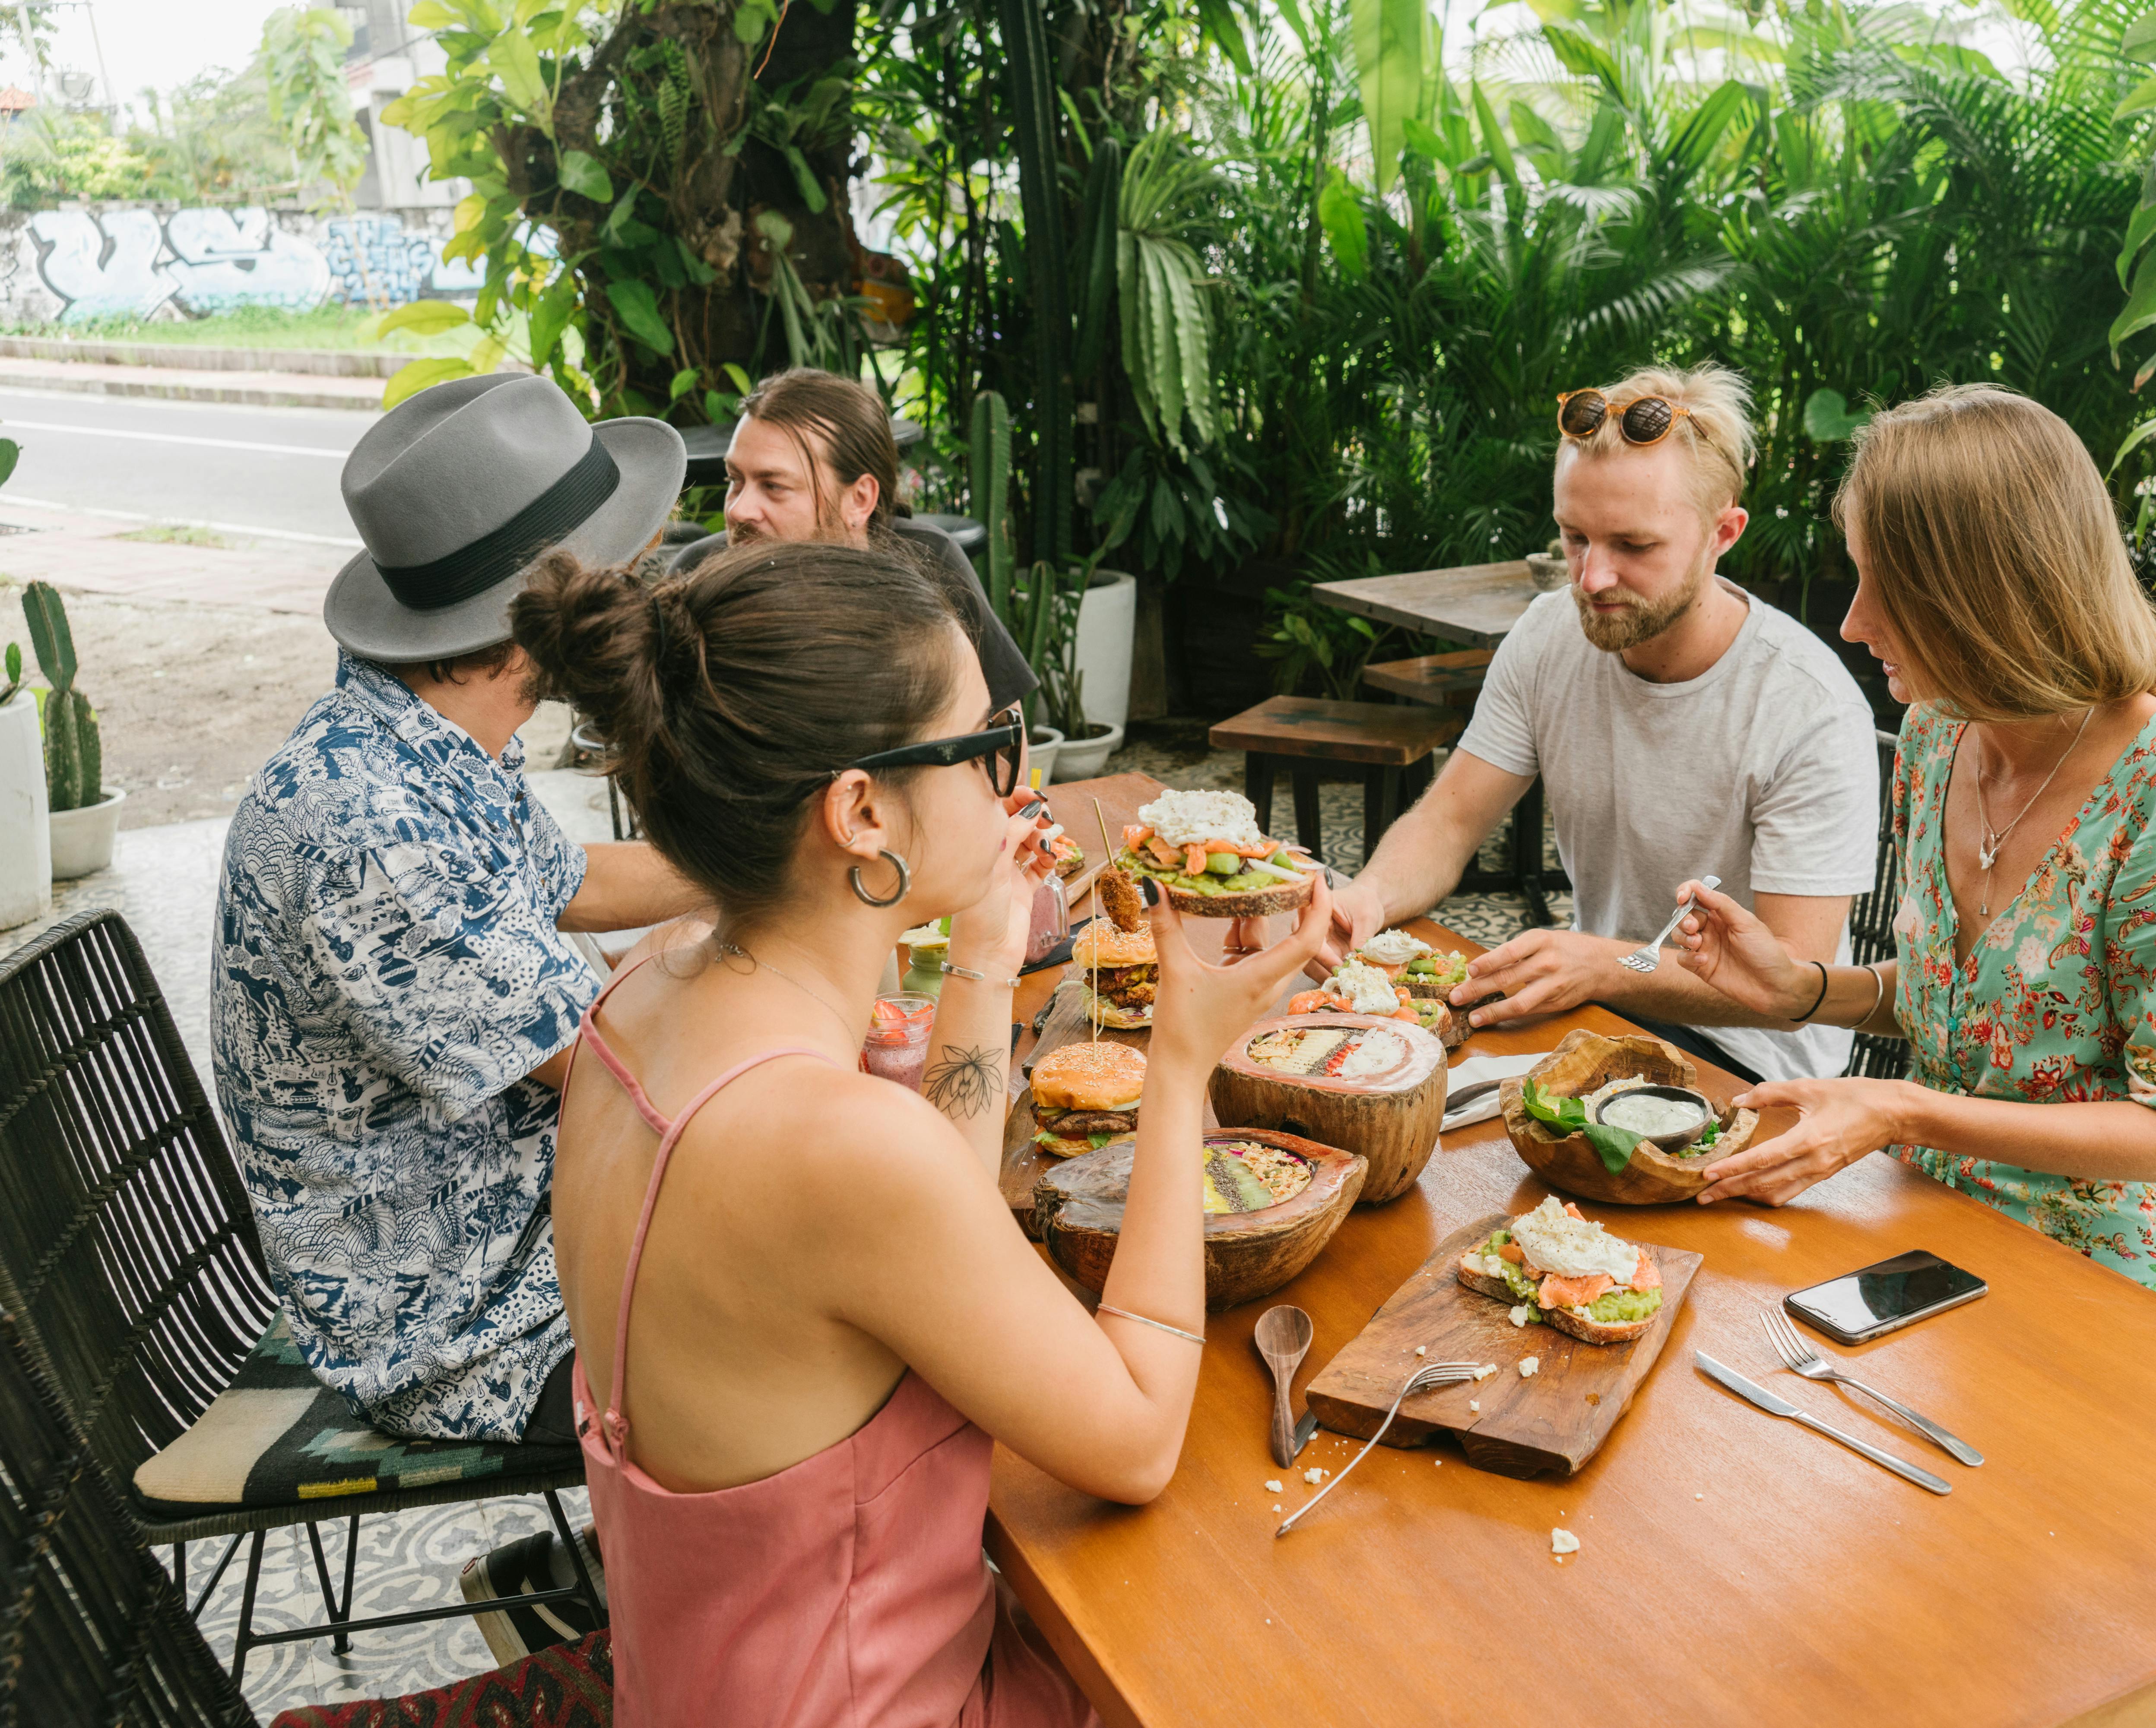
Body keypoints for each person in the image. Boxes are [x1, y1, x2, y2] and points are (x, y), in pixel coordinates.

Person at [511, 535, 1334, 1727]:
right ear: (860, 810)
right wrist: (1182, 1062)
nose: (1016, 783)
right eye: (988, 744)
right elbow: (1139, 1437)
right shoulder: (832, 1144)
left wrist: (987, 959)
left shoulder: (635, 1006)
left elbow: (914, 1246)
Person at [212, 373, 709, 1649]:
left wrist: (758, 860)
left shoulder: (419, 726)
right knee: (832, 1317)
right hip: (456, 1317)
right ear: (542, 617)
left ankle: (617, 1586)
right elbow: (614, 1061)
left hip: (513, 1215)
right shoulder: (368, 821)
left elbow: (570, 880)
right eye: (614, 570)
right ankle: (684, 1635)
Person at [1668, 384, 2156, 1318]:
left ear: (1994, 595)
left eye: (1891, 587)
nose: (1853, 621)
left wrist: (1899, 1111)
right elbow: (1974, 1004)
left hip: (2102, 1293)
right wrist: (1802, 989)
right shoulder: (1938, 733)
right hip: (1920, 1242)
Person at [1316, 363, 1880, 1084]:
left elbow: (1790, 988)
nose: (1591, 579)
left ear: (1724, 533)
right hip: (1601, 1010)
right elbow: (1451, 820)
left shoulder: (1810, 708)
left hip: (1752, 1065)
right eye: (1574, 537)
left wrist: (1604, 965)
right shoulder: (1551, 631)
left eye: (1633, 546)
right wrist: (1367, 899)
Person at [666, 365, 1038, 718]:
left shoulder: (929, 563)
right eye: (735, 479)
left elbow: (1004, 718)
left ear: (859, 499)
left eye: (774, 486)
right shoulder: (699, 572)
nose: (739, 510)